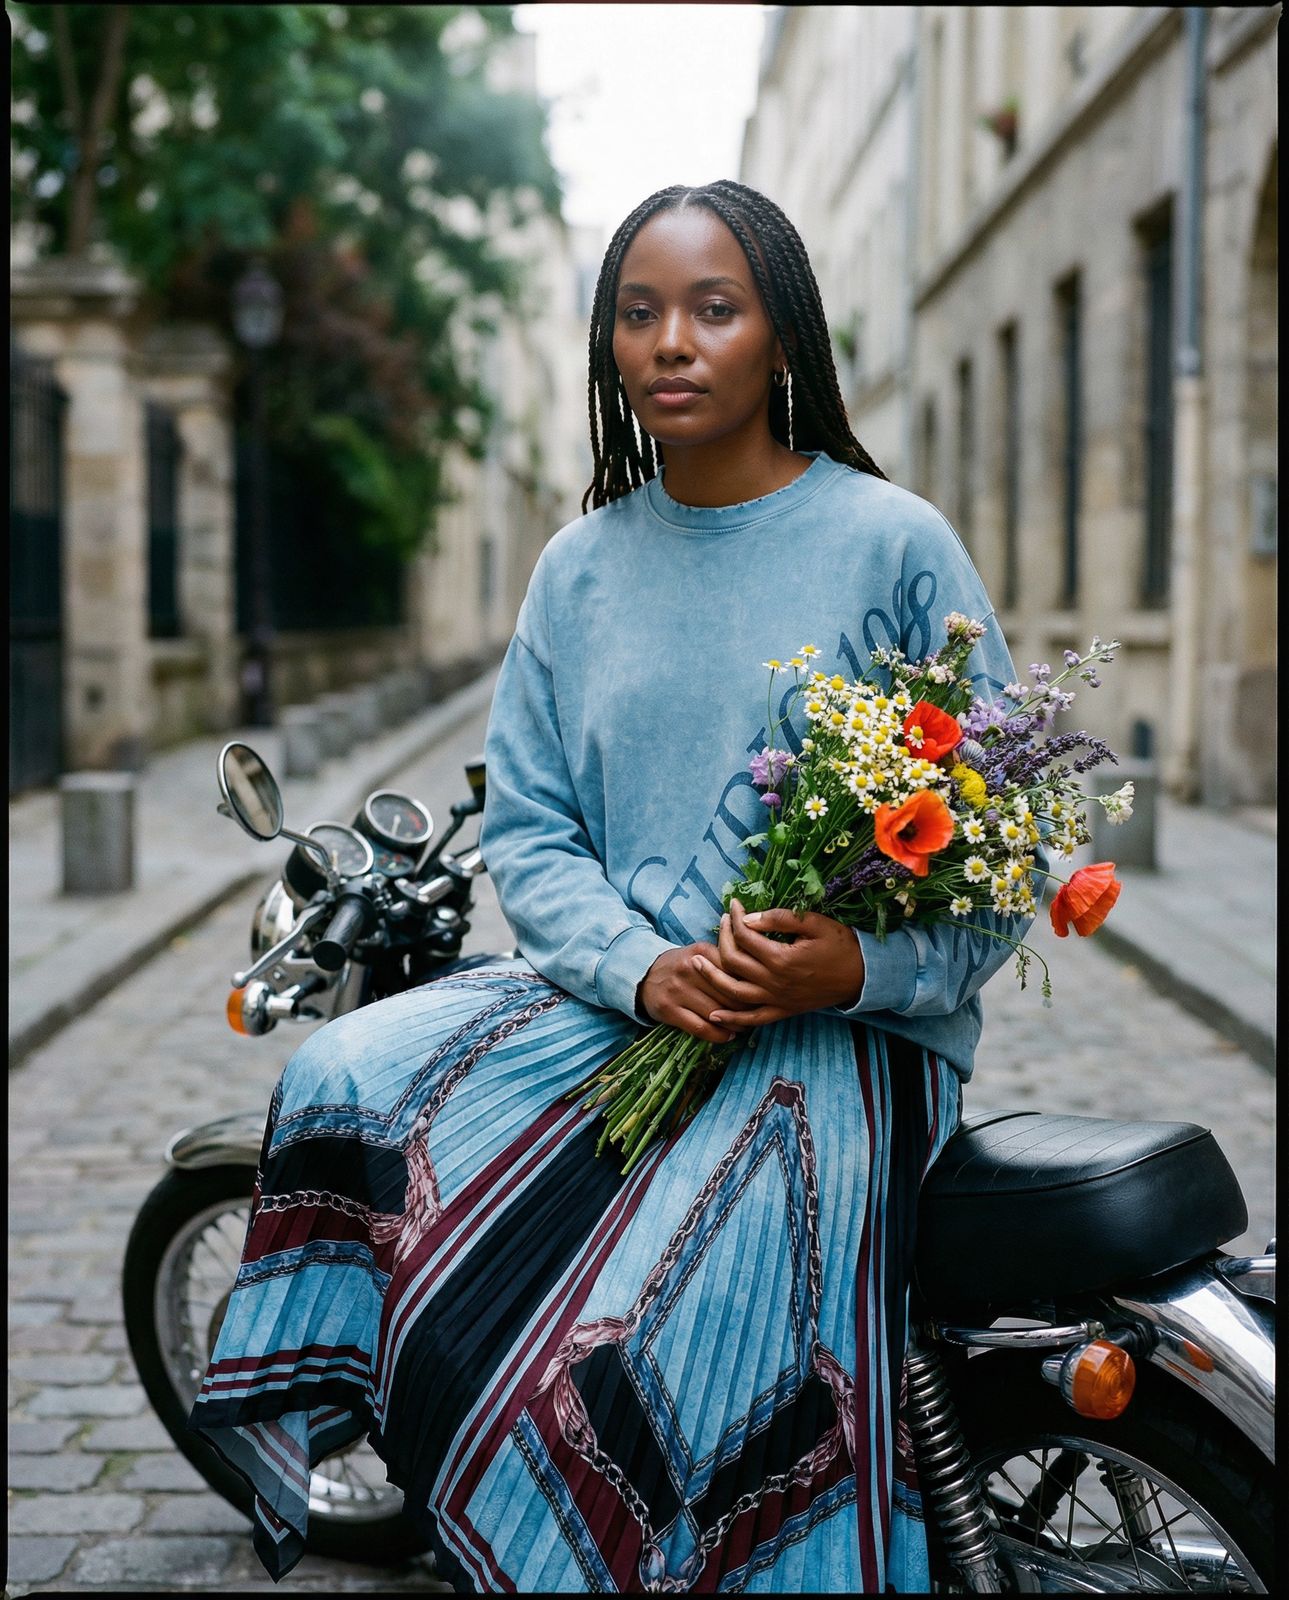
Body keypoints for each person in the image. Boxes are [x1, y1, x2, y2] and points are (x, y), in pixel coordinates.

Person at [190, 179, 1028, 1593]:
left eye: (713, 308)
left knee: (639, 1344)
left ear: (781, 337)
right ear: (607, 345)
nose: (671, 343)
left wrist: (853, 970)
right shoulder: (576, 570)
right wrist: (642, 968)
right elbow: (525, 832)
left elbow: (1005, 847)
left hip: (835, 1046)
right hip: (615, 1008)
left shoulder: (892, 541)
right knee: (338, 1075)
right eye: (637, 314)